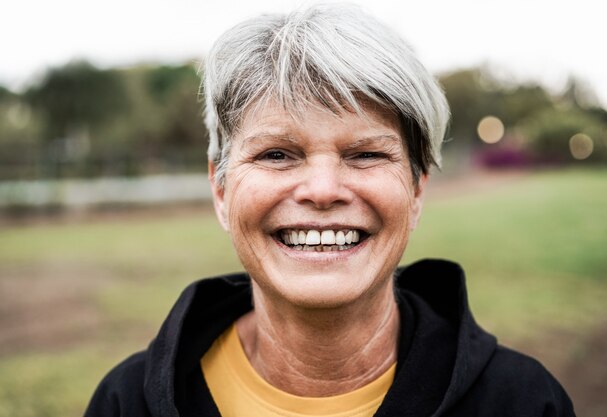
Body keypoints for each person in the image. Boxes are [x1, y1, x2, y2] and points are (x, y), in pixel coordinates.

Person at [85, 4, 575, 416]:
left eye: (365, 154)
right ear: (220, 187)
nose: (322, 190)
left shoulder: (524, 402)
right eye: (276, 154)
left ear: (417, 189)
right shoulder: (125, 403)